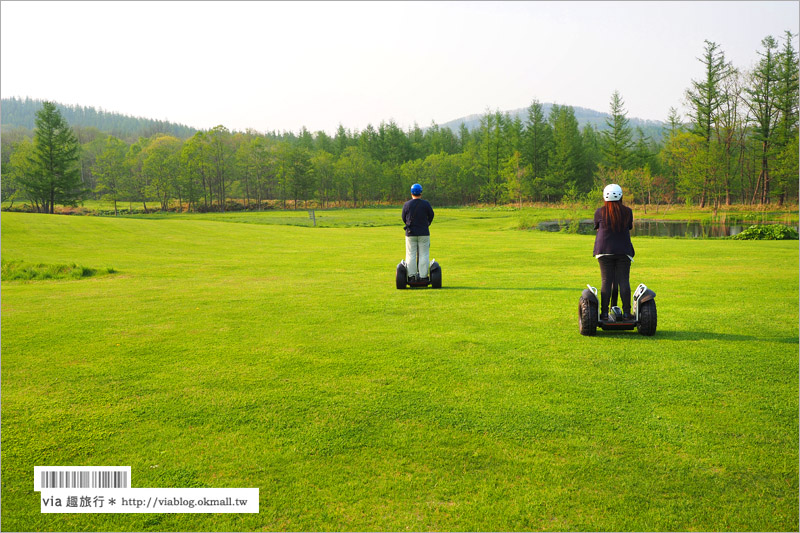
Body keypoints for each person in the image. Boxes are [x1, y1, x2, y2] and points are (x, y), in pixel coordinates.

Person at [593, 183, 635, 321]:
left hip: (604, 250)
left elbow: (597, 227)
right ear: (621, 196)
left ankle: (604, 313)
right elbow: (628, 227)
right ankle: (627, 313)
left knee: (606, 281)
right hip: (623, 251)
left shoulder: (600, 211)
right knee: (624, 281)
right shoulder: (628, 211)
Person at [401, 183, 435, 282]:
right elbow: (431, 215)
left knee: (411, 254)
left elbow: (404, 218)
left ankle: (411, 276)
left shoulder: (407, 204)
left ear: (411, 193)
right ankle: (423, 276)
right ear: (421, 192)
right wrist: (427, 224)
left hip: (410, 233)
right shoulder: (426, 204)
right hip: (424, 232)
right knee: (424, 254)